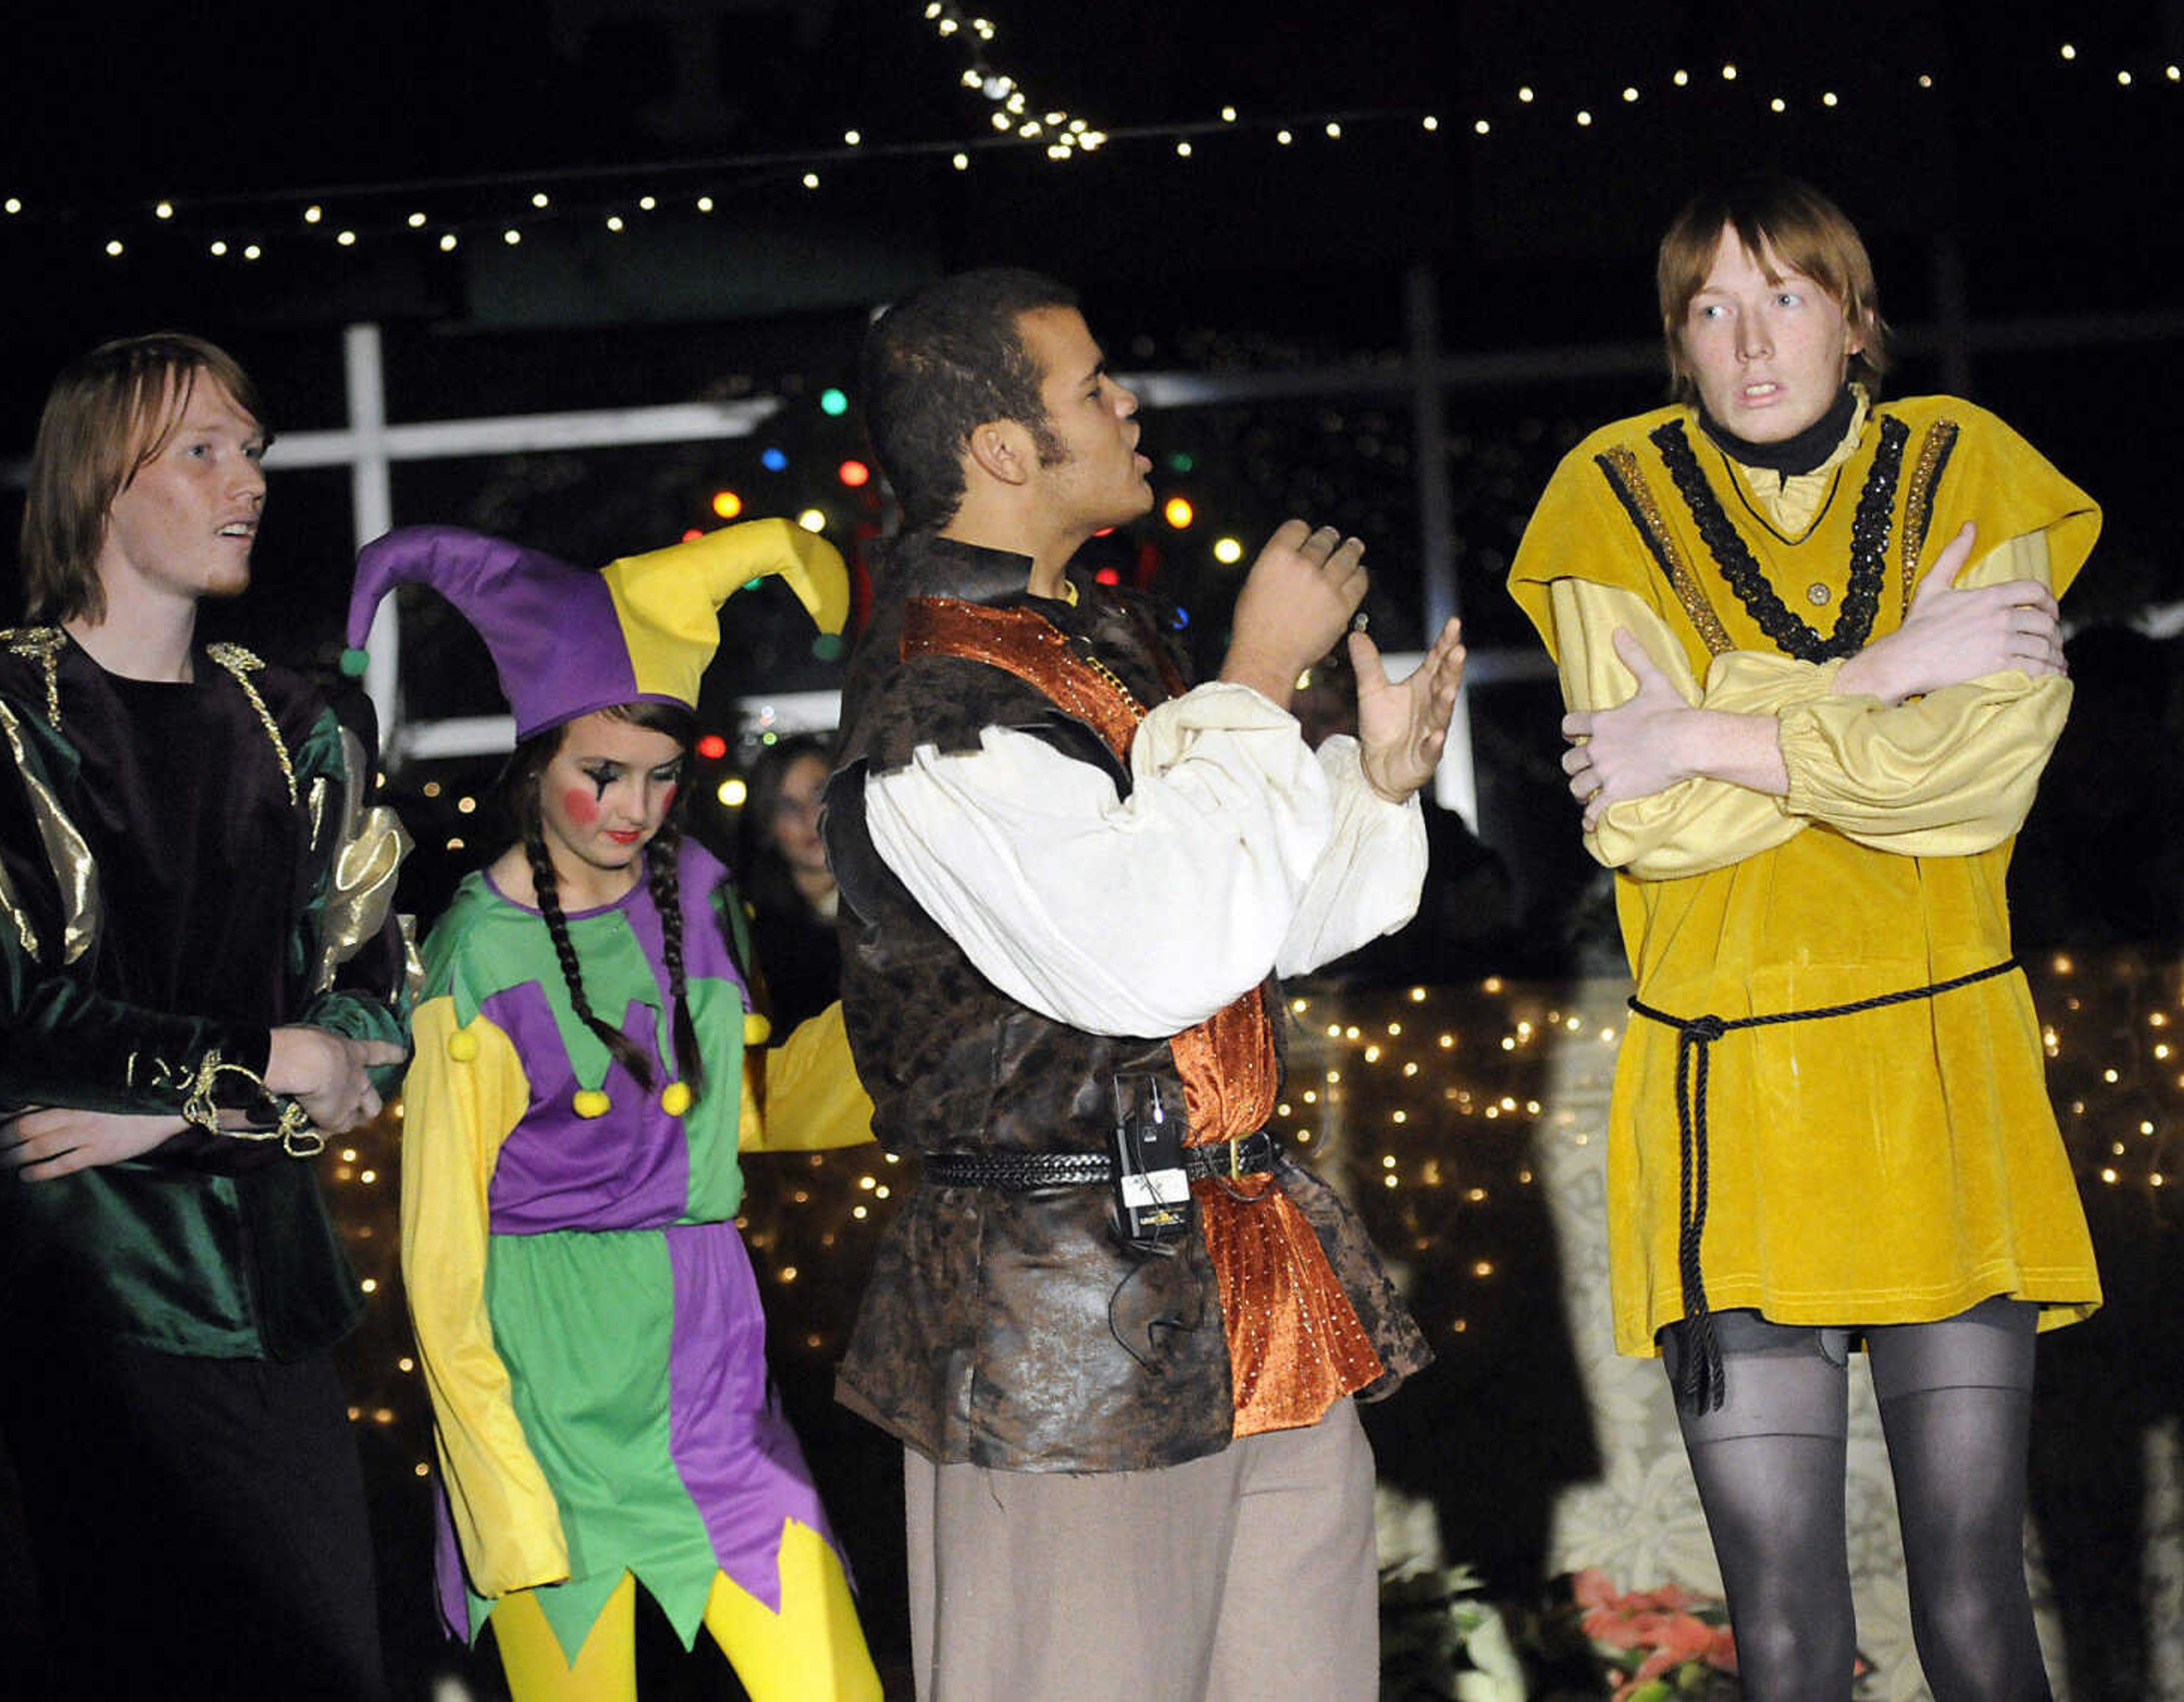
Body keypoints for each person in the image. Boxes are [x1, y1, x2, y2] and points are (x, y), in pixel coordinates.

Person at [825, 266, 1465, 1700]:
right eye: (1091, 386)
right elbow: (1148, 954)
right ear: (999, 448)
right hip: (1057, 1311)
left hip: (1242, 1270)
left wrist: (1372, 781)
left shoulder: (1093, 647)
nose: (1128, 406)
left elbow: (1261, 928)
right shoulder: (935, 708)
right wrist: (1249, 672)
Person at [1508, 175, 2101, 1702]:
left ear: (1852, 313)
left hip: (1933, 1080)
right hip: (1737, 1116)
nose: (1749, 340)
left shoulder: (1969, 468)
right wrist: (1885, 667)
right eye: (1707, 309)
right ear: (1674, 342)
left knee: (1974, 1607)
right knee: (1780, 1632)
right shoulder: (1605, 492)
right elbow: (1641, 825)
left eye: (1782, 296)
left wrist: (1700, 729)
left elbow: (1978, 788)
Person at [0, 333, 414, 1699]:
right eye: (203, 450)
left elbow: (365, 1002)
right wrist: (274, 1065)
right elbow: (23, 1011)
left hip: (264, 1276)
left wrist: (186, 1103)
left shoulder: (304, 723)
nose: (246, 479)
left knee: (328, 1655)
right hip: (94, 1284)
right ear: (102, 481)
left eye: (254, 450)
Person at [352, 520, 882, 1702]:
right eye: (601, 772)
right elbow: (441, 1256)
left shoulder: (697, 892)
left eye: (660, 775)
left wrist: (906, 1016)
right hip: (552, 1395)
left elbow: (735, 1120)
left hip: (711, 1377)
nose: (633, 806)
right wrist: (497, 1488)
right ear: (535, 763)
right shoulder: (476, 958)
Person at [739, 733, 841, 1029]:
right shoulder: (752, 941)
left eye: (819, 795)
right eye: (787, 806)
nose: (808, 817)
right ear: (767, 825)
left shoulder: (896, 909)